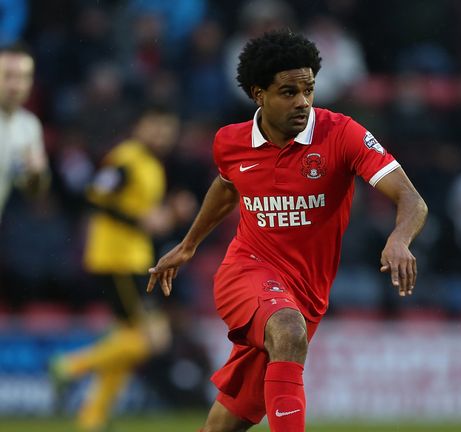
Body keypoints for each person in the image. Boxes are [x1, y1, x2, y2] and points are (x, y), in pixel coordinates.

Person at [146, 30, 428, 432]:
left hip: (307, 291)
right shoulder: (230, 142)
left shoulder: (341, 134)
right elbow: (227, 187)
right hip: (246, 272)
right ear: (259, 94)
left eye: (309, 89)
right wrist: (189, 245)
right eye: (289, 92)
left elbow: (412, 199)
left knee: (226, 423)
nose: (303, 102)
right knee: (288, 330)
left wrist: (399, 238)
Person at [50, 106, 188, 432]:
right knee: (152, 341)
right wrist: (140, 220)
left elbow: (142, 216)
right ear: (139, 126)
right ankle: (70, 366)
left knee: (128, 340)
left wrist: (169, 212)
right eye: (155, 127)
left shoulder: (150, 164)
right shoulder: (127, 158)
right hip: (119, 260)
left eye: (167, 129)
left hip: (133, 258)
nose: (161, 135)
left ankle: (92, 417)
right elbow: (95, 197)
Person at [0, 42, 49, 222]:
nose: (15, 85)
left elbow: (33, 192)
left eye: (23, 77)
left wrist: (36, 175)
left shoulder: (29, 126)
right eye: (8, 75)